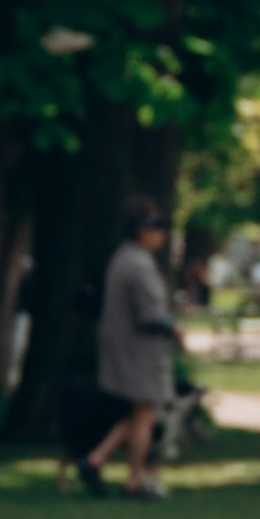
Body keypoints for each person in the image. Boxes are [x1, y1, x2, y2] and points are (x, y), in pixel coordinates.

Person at [85, 197, 181, 500]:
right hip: (140, 351)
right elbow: (150, 314)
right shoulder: (138, 265)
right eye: (159, 229)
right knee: (145, 413)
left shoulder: (122, 258)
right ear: (144, 231)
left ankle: (95, 460)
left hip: (125, 348)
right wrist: (173, 326)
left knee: (140, 415)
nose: (162, 236)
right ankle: (134, 480)